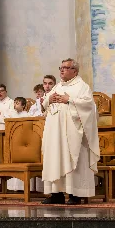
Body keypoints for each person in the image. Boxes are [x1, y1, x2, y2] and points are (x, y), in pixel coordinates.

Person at [41, 58, 100, 205]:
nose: (62, 70)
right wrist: (49, 99)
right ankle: (56, 194)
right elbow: (45, 104)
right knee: (56, 159)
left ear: (75, 70)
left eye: (66, 68)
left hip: (73, 133)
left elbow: (89, 107)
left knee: (75, 159)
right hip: (55, 132)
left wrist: (70, 100)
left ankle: (76, 194)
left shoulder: (82, 87)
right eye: (60, 67)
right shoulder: (57, 87)